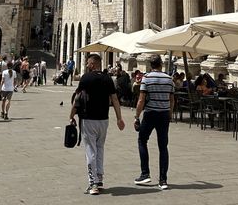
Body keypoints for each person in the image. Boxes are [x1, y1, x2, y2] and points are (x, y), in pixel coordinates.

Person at [69, 53, 125, 195]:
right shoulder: (108, 79)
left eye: (88, 63)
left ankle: (92, 183)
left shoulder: (86, 78)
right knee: (100, 148)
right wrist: (119, 118)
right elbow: (115, 99)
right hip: (103, 120)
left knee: (90, 150)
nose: (87, 65)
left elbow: (77, 98)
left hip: (89, 119)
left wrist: (71, 115)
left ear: (93, 64)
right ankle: (99, 179)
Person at [134, 55, 174, 190]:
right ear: (161, 64)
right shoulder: (169, 79)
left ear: (150, 65)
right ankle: (163, 180)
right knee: (163, 146)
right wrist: (170, 114)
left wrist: (136, 116)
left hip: (150, 113)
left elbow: (141, 99)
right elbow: (172, 99)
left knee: (142, 140)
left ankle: (145, 173)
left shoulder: (147, 78)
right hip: (164, 114)